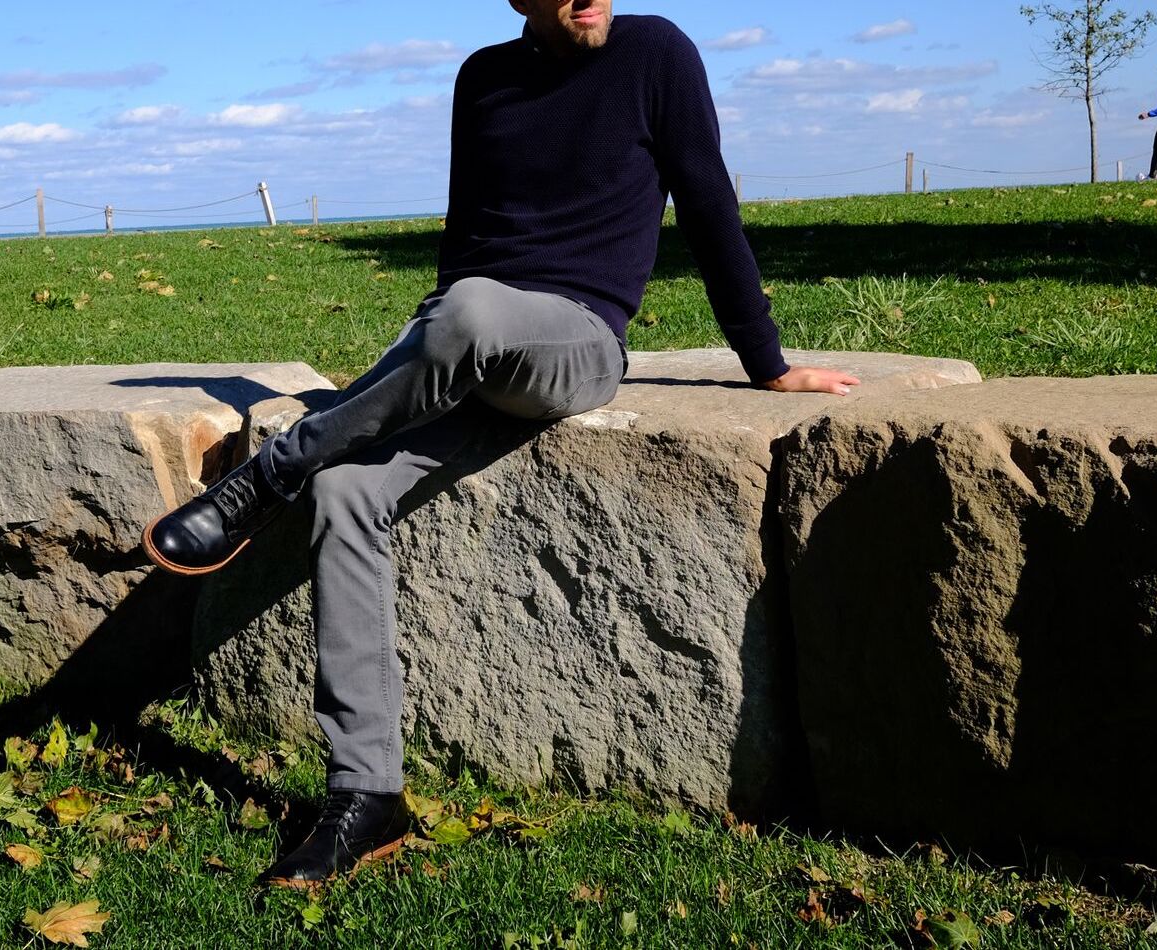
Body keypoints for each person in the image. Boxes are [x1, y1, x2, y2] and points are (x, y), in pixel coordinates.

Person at [143, 0, 860, 888]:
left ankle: (272, 472)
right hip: (469, 350)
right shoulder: (482, 78)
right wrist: (421, 361)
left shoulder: (654, 53)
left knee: (468, 317)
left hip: (577, 343)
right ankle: (367, 792)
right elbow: (462, 246)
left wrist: (767, 361)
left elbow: (707, 197)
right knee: (348, 493)